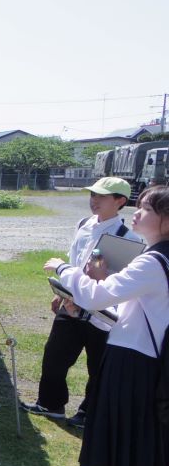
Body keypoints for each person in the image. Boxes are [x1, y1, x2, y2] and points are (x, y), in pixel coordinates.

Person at [45, 185, 169, 466]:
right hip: (158, 361)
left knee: (127, 441)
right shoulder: (159, 260)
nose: (137, 213)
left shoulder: (151, 262)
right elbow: (133, 310)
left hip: (134, 362)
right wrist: (87, 300)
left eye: (146, 208)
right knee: (160, 443)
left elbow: (98, 295)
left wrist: (64, 270)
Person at [22, 177, 142, 428]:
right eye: (92, 195)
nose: (94, 201)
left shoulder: (129, 238)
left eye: (102, 197)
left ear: (120, 201)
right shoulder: (83, 224)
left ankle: (89, 413)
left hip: (102, 311)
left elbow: (121, 281)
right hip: (71, 302)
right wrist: (61, 294)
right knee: (55, 355)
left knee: (97, 364)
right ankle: (51, 404)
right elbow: (74, 261)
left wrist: (99, 280)